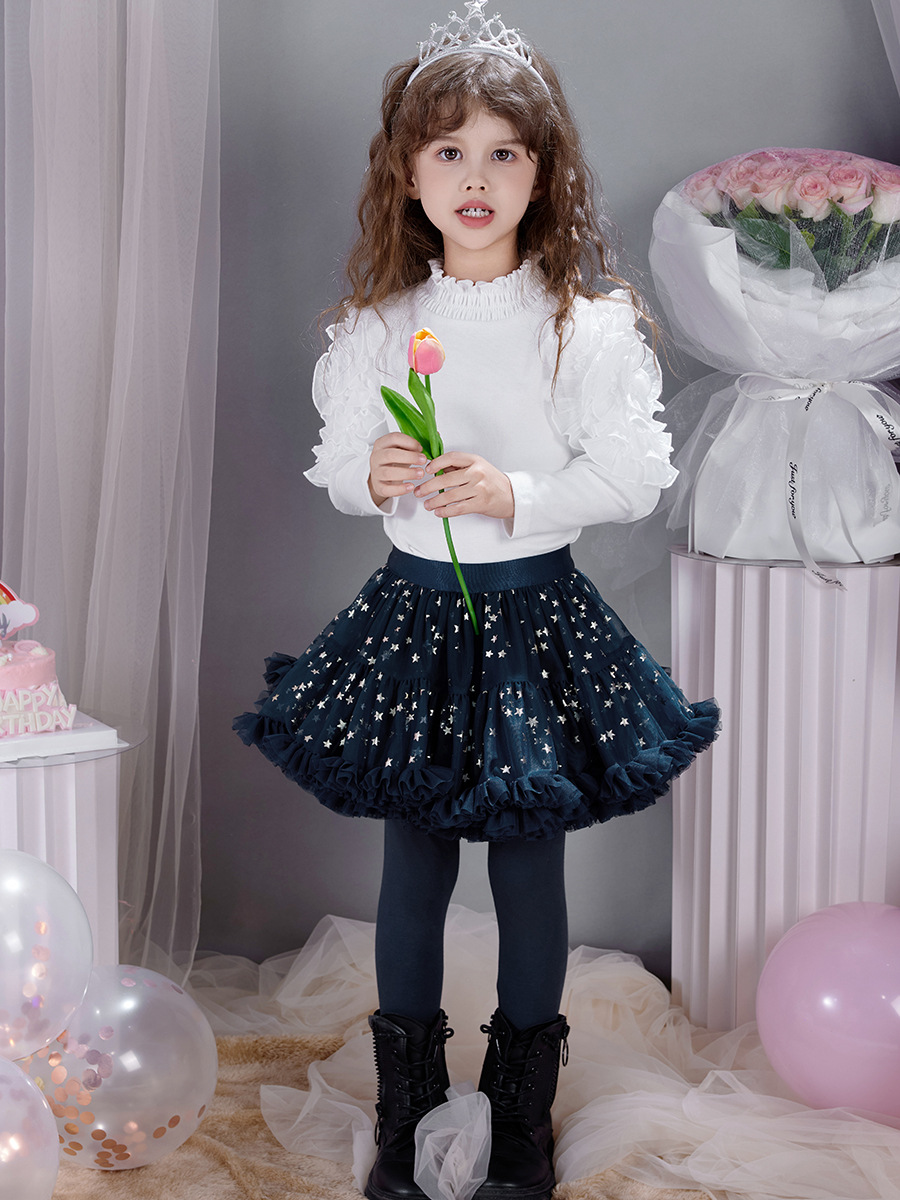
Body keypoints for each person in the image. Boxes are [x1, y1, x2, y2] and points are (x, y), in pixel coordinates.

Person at [235, 4, 719, 1198]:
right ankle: (406, 1108)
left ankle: (520, 1117)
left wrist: (515, 492)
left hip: (535, 618)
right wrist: (375, 474)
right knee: (414, 862)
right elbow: (339, 463)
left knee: (526, 863)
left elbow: (632, 475)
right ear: (408, 173)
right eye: (449, 151)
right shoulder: (379, 330)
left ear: (542, 175)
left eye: (504, 153)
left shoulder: (583, 330)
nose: (476, 179)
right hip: (413, 620)